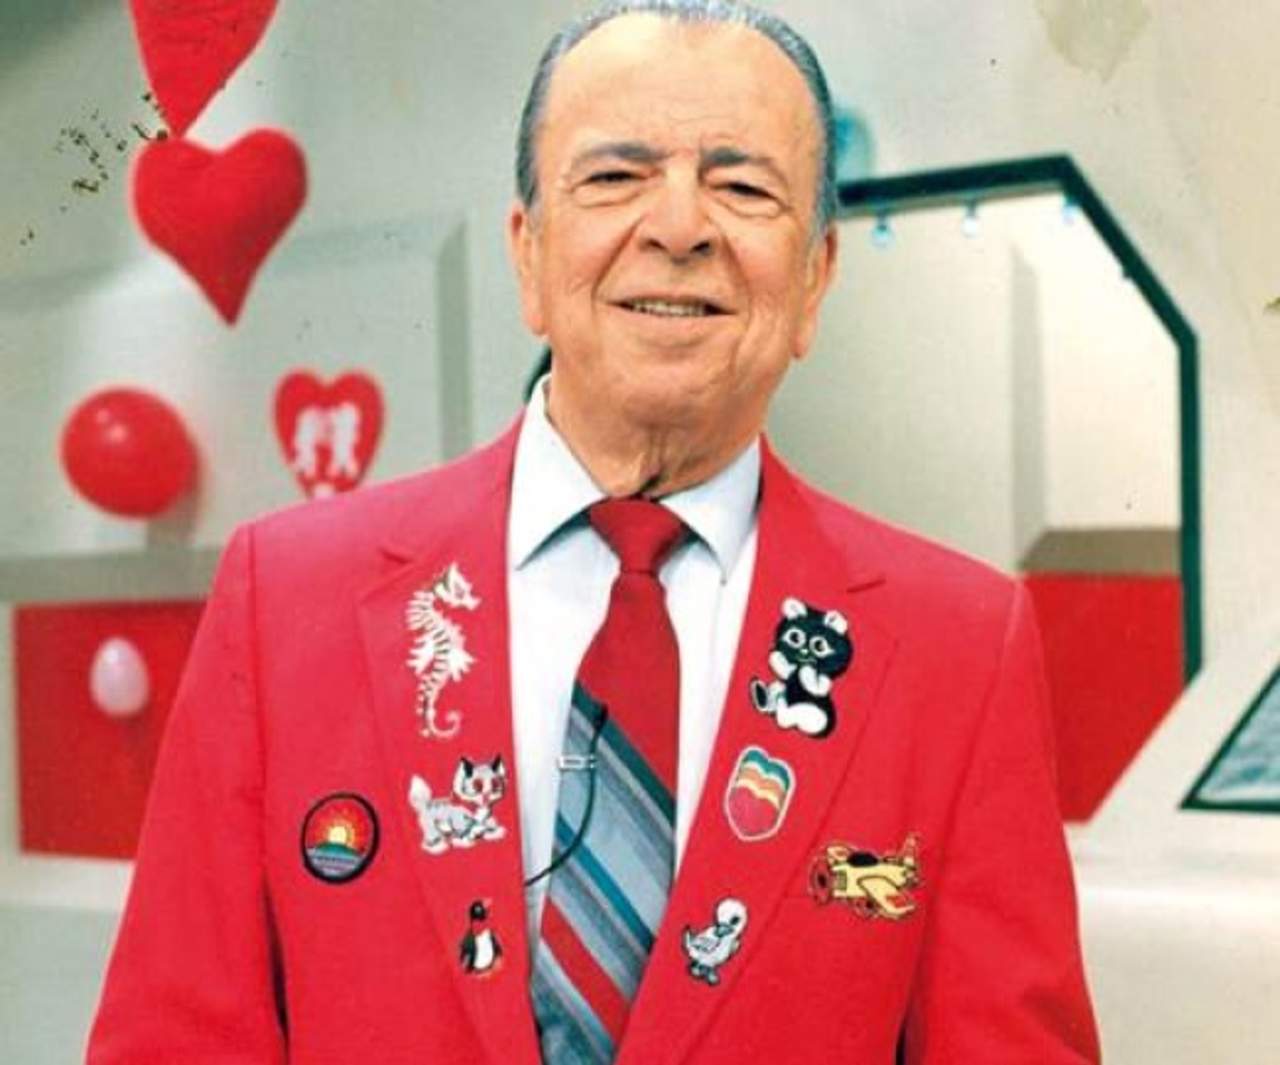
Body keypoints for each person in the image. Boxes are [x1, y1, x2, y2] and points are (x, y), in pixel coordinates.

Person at [87, 2, 1101, 1063]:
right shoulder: (286, 598)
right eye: (615, 177)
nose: (679, 226)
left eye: (744, 187)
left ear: (814, 278)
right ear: (527, 255)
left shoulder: (957, 647)